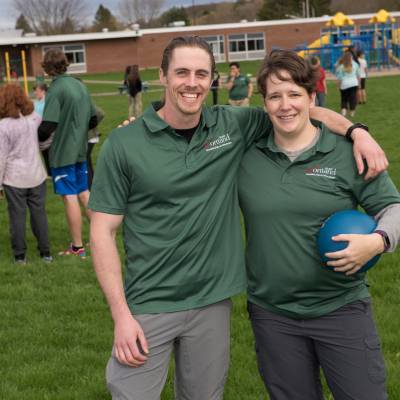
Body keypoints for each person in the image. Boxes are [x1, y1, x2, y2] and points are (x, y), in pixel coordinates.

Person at [89, 36, 388, 400]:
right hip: (149, 303)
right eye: (182, 72)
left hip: (213, 301)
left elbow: (297, 106)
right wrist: (120, 315)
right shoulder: (125, 144)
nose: (192, 82)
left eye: (202, 73)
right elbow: (102, 231)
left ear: (213, 80)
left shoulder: (230, 126)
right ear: (163, 76)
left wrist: (358, 133)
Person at [238, 49, 400, 400]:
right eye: (275, 96)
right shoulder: (245, 154)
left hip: (341, 308)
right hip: (273, 315)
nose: (285, 105)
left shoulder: (346, 152)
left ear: (312, 98)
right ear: (263, 102)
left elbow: (393, 208)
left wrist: (378, 240)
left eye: (295, 94)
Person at [38, 49, 97, 258]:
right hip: (81, 150)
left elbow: (47, 126)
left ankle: (77, 247)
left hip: (63, 154)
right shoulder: (80, 84)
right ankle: (99, 239)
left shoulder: (55, 90)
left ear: (47, 67)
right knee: (84, 192)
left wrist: (31, 138)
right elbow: (94, 118)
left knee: (70, 196)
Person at [0, 83, 52, 264]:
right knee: (39, 214)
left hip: (14, 178)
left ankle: (20, 256)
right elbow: (45, 140)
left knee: (17, 216)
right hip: (36, 174)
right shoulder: (35, 118)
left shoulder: (3, 126)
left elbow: (1, 157)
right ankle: (46, 253)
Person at [33, 82, 51, 176]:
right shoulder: (36, 103)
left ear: (43, 91)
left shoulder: (48, 102)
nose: (35, 93)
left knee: (47, 152)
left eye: (37, 91)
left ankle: (50, 172)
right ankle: (45, 172)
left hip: (45, 131)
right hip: (36, 131)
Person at [336, 50, 360, 117]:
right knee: (352, 98)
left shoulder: (341, 67)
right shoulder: (355, 65)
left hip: (344, 84)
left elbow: (339, 78)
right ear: (351, 57)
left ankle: (344, 111)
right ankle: (352, 112)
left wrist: (338, 86)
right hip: (354, 83)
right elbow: (358, 75)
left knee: (344, 99)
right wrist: (359, 84)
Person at [87, 105, 105, 190]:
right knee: (87, 161)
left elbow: (100, 114)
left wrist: (88, 126)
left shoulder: (84, 100)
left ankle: (90, 187)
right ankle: (93, 184)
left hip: (89, 137)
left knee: (85, 162)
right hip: (91, 137)